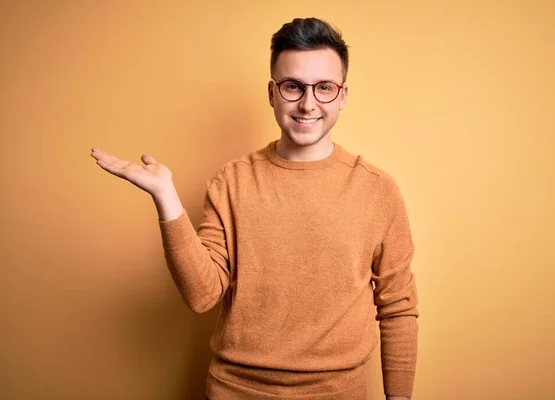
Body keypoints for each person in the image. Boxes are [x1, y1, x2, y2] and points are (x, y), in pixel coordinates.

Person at [91, 17, 418, 400]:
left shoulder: (377, 190)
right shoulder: (231, 181)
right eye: (293, 86)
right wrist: (166, 198)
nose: (308, 103)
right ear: (272, 92)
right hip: (235, 391)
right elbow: (202, 295)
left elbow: (397, 308)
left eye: (324, 88)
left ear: (343, 96)